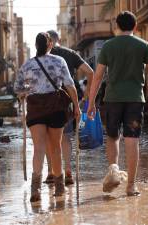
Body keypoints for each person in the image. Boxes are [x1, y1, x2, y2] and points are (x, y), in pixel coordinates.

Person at [87, 11, 148, 196]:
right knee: (132, 139)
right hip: (135, 100)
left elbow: (98, 77)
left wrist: (91, 102)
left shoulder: (108, 47)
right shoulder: (143, 45)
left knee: (112, 137)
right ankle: (131, 186)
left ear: (116, 27)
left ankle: (114, 170)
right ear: (135, 26)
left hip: (112, 100)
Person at [14, 32, 81, 202]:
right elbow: (70, 85)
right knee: (56, 148)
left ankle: (35, 190)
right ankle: (59, 188)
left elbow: (18, 88)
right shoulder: (59, 61)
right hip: (56, 108)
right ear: (50, 44)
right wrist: (77, 107)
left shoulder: (27, 65)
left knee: (39, 149)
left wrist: (27, 92)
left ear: (36, 46)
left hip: (35, 108)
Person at [42, 30, 94, 185]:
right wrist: (87, 95)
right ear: (58, 39)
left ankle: (51, 172)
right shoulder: (70, 54)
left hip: (45, 101)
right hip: (67, 101)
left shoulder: (42, 55)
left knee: (48, 138)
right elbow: (90, 72)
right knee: (65, 137)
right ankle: (68, 171)